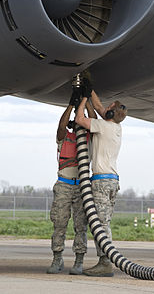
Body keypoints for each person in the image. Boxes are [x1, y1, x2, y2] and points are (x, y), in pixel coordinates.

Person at [76, 86, 127, 277]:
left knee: (100, 223)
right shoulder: (115, 127)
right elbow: (99, 108)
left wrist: (81, 101)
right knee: (103, 221)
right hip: (112, 180)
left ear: (111, 112)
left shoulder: (103, 126)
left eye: (108, 107)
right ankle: (104, 259)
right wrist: (90, 90)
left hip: (102, 181)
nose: (104, 108)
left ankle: (105, 262)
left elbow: (80, 120)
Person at [47, 92, 96, 275]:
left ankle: (79, 260)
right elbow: (61, 125)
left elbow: (94, 120)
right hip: (64, 185)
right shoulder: (64, 137)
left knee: (80, 225)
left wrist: (86, 101)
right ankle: (57, 258)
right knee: (59, 222)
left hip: (81, 186)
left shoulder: (89, 140)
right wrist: (70, 105)